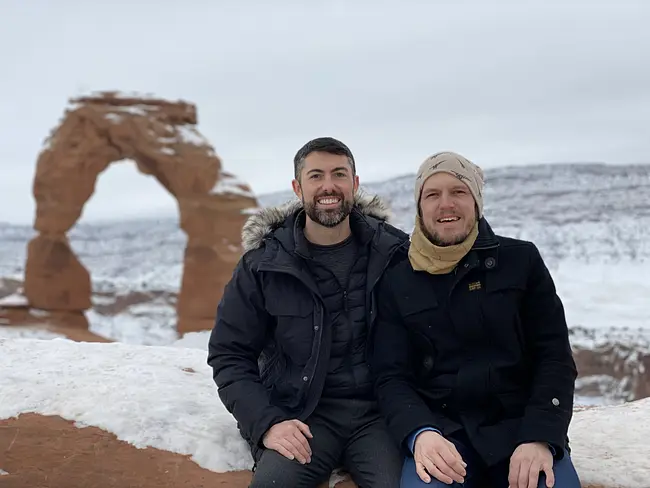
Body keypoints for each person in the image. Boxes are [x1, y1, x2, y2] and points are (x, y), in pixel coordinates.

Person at [369, 151, 582, 488]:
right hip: (443, 434)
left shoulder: (521, 261)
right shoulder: (398, 280)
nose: (445, 204)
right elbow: (390, 376)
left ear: (477, 201)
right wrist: (419, 433)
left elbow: (553, 356)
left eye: (458, 192)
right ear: (420, 206)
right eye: (433, 195)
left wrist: (540, 437)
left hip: (522, 428)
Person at [207, 137, 408, 488]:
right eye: (316, 176)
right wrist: (266, 422)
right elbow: (229, 354)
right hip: (302, 416)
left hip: (380, 416)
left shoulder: (394, 251)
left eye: (339, 174)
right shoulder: (264, 264)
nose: (328, 186)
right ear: (298, 187)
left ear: (355, 184)